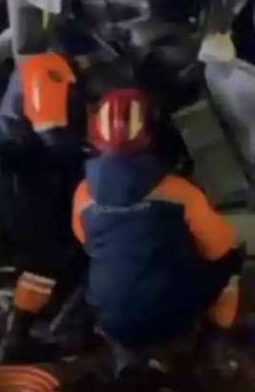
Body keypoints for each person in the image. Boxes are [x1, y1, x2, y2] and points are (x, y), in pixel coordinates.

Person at [71, 88, 243, 383]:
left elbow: (87, 241)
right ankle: (208, 353)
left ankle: (125, 355)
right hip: (173, 319)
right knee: (231, 268)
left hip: (111, 319)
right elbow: (220, 247)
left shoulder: (82, 195)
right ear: (153, 134)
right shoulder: (180, 192)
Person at [0, 52, 88, 362]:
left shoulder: (55, 68)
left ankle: (44, 304)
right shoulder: (47, 73)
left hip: (24, 166)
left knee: (54, 238)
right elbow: (55, 138)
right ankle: (17, 339)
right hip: (10, 174)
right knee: (44, 254)